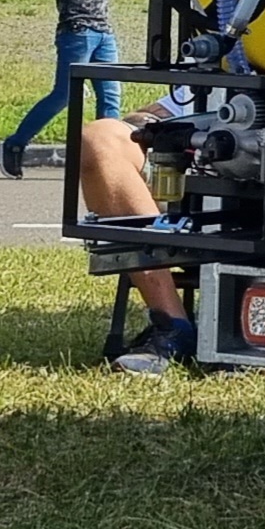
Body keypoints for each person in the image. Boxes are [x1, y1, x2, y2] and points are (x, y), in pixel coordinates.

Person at [78, 91, 200, 375]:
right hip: (189, 182)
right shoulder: (226, 64)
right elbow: (151, 115)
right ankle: (171, 325)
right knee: (100, 137)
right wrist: (149, 125)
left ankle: (253, 326)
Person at [0, 0, 126, 179]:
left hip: (103, 29)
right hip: (77, 29)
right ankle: (15, 144)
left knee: (110, 96)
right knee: (64, 95)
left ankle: (109, 159)